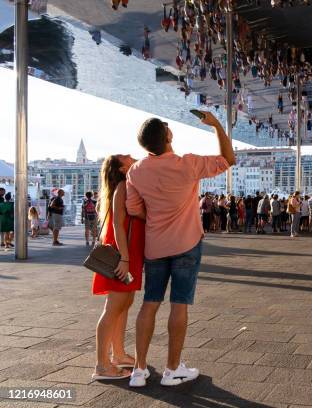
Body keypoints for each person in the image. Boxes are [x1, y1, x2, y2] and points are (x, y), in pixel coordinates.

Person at [126, 113, 234, 387]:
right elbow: (228, 159)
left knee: (150, 303)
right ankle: (172, 369)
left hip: (155, 246)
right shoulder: (189, 164)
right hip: (186, 243)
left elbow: (134, 209)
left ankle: (139, 370)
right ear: (168, 137)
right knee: (179, 303)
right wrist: (217, 126)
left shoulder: (136, 171)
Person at [92, 154, 145, 381]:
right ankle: (102, 365)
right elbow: (117, 224)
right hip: (124, 254)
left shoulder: (127, 184)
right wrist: (124, 258)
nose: (132, 156)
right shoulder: (123, 186)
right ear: (123, 168)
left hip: (128, 252)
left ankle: (119, 353)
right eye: (127, 157)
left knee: (124, 304)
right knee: (114, 306)